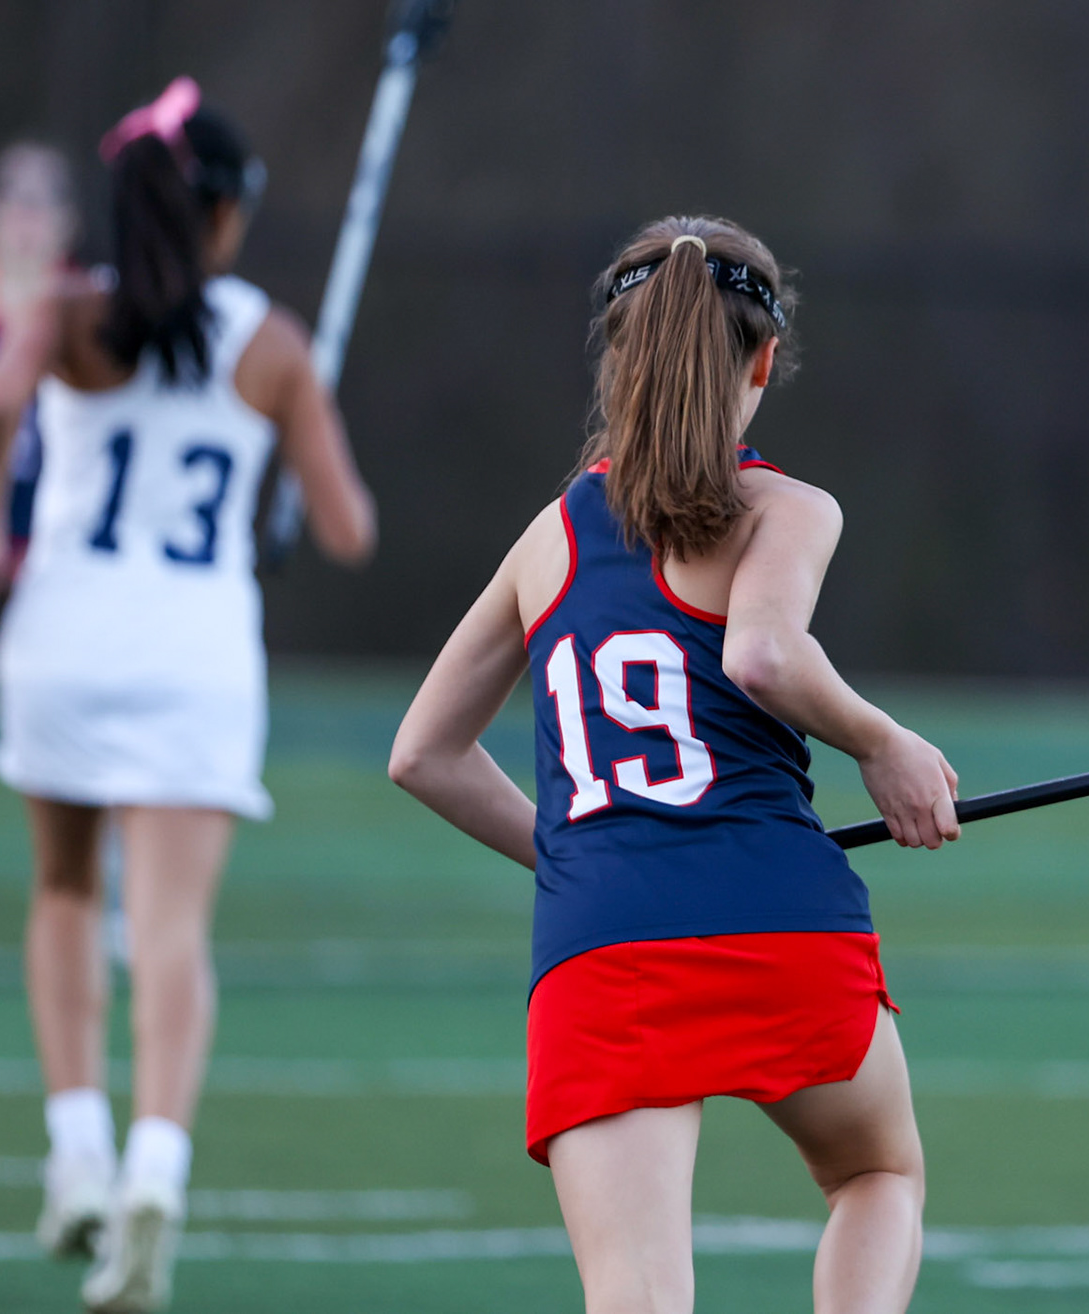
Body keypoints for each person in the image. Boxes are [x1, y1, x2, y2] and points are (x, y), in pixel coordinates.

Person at [390, 215, 959, 1314]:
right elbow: (760, 650)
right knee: (876, 1174)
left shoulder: (549, 537)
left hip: (600, 948)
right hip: (777, 916)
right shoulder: (787, 510)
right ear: (761, 364)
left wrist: (578, 855)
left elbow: (424, 754)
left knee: (636, 1298)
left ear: (618, 357)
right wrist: (884, 743)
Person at [0, 78, 377, 1314]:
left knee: (58, 889)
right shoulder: (275, 346)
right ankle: (156, 1164)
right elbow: (352, 529)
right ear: (226, 215)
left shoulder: (71, 315)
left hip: (64, 641)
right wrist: (293, 497)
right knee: (171, 934)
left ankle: (79, 1146)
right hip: (196, 654)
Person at [0, 141, 78, 619]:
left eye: (42, 200)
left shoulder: (89, 315)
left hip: (59, 554)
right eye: (14, 196)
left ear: (68, 221)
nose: (26, 216)